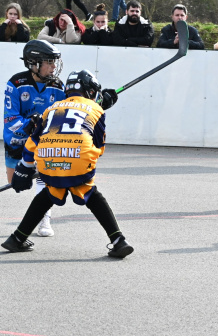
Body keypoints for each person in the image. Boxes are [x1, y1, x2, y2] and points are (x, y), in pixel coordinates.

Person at [1, 69, 131, 258]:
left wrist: (26, 166)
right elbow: (99, 145)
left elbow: (33, 141)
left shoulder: (51, 108)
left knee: (51, 189)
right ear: (91, 91)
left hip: (47, 159)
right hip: (78, 157)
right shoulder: (96, 109)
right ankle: (119, 240)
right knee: (90, 192)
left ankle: (17, 238)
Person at [4, 40, 67, 237]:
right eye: (49, 61)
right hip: (17, 141)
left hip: (43, 142)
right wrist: (28, 125)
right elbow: (10, 119)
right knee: (15, 182)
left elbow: (61, 118)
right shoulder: (15, 84)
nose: (54, 66)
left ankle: (44, 219)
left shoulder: (58, 87)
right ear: (34, 63)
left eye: (54, 61)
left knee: (44, 176)